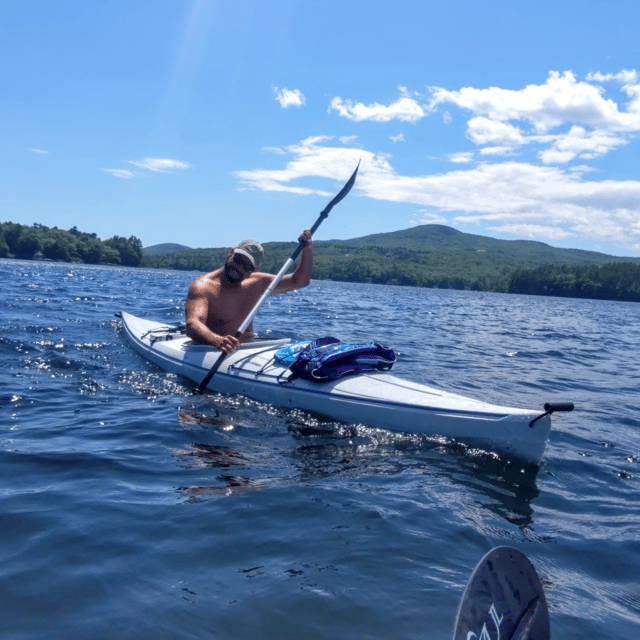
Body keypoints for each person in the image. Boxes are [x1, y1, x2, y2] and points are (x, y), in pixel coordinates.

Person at [185, 230, 313, 353]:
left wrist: (307, 248)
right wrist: (217, 341)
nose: (239, 268)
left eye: (247, 267)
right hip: (212, 350)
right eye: (238, 260)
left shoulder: (258, 282)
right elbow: (193, 324)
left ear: (252, 270)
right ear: (230, 254)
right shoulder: (203, 286)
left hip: (248, 350)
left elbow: (300, 281)